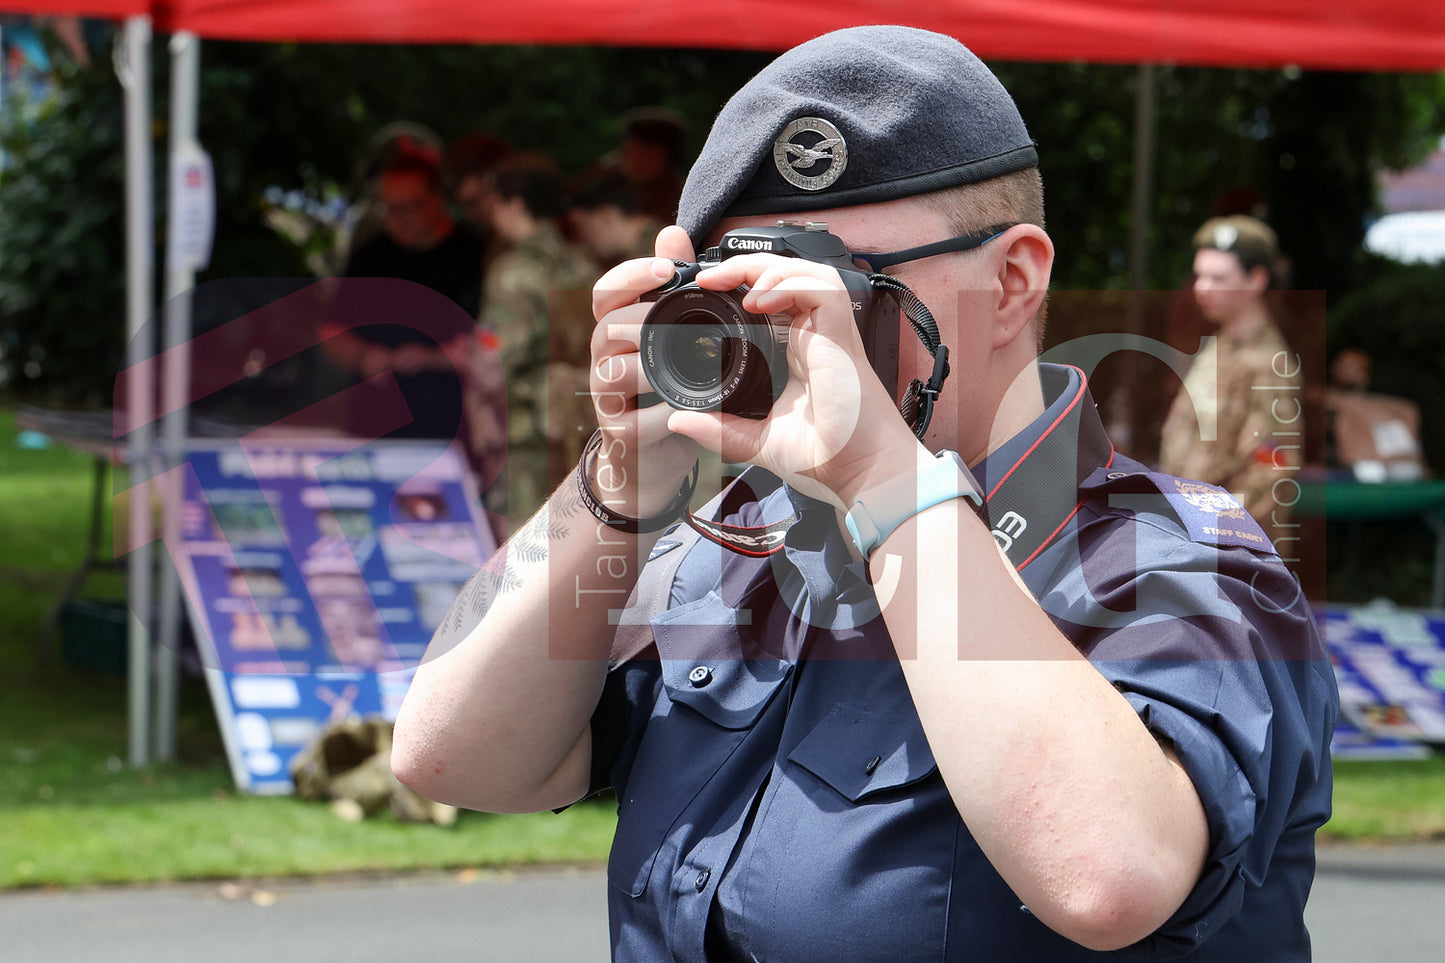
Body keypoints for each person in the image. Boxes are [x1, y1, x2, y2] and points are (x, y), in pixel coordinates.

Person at [394, 26, 1337, 961]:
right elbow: (452, 757)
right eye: (749, 287)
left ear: (1012, 281)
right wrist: (618, 480)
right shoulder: (736, 544)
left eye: (851, 286)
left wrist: (888, 484)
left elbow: (1107, 876)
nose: (804, 327)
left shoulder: (1182, 561)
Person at [322, 148, 484, 441]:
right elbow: (331, 330)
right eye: (389, 209)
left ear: (436, 199)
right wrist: (362, 356)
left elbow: (497, 339)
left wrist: (436, 357)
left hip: (454, 422)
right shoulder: (370, 256)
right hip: (373, 423)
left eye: (409, 207)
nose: (398, 219)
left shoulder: (475, 254)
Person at [478, 152, 600, 524]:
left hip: (527, 434)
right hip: (582, 426)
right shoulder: (584, 264)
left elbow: (493, 356)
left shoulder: (514, 273)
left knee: (523, 545)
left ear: (514, 204)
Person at [1158, 216, 1300, 526]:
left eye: (1218, 278)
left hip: (1224, 550)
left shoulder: (1268, 364)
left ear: (1256, 280)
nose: (1201, 288)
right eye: (1199, 275)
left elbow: (1268, 475)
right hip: (1190, 532)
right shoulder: (1220, 345)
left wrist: (1209, 533)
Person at [566, 165, 664, 269]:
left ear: (605, 217)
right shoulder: (658, 245)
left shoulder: (653, 259)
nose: (583, 239)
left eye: (582, 227)